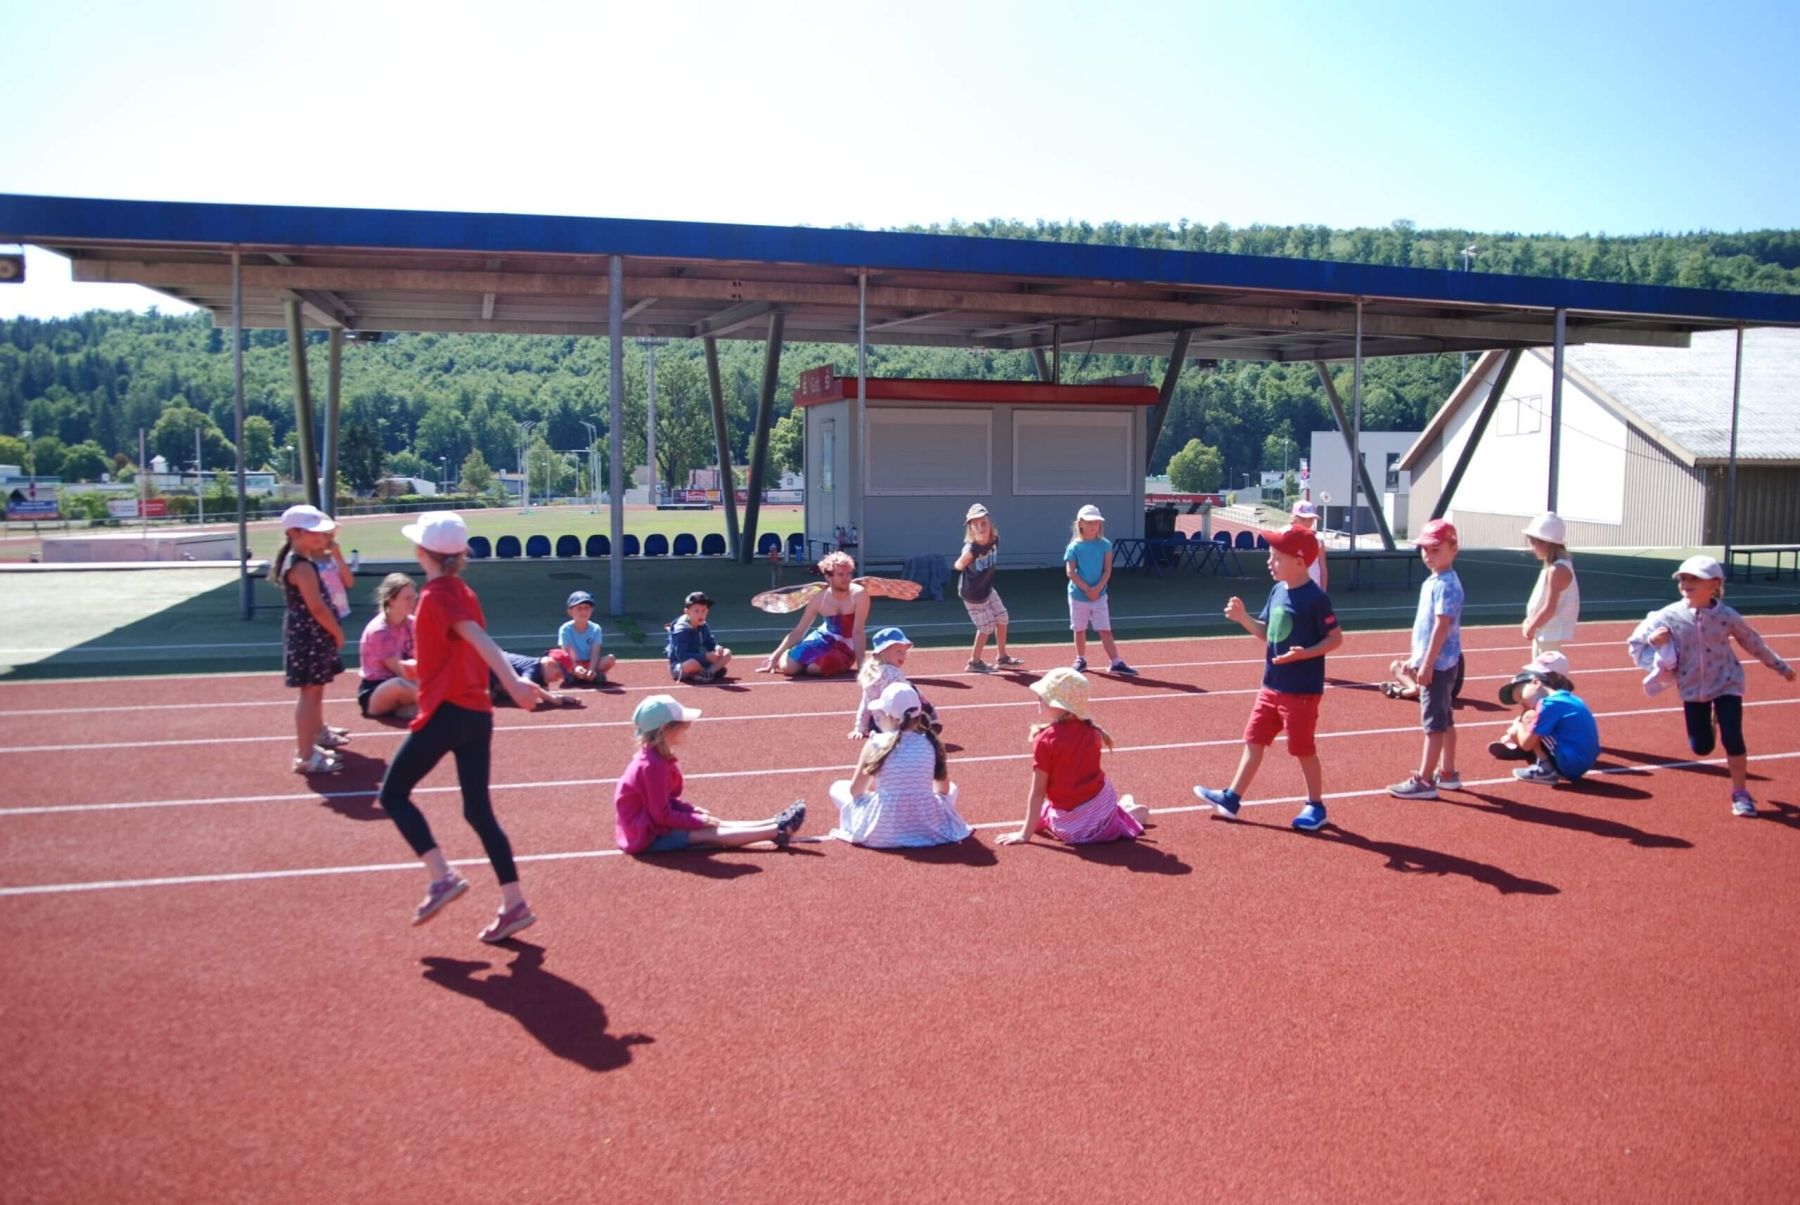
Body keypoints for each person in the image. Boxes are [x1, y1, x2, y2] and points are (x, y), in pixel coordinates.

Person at [377, 511, 539, 943]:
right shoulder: (463, 591)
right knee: (477, 811)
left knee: (392, 794)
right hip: (476, 714)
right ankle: (514, 903)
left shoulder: (436, 595)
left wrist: (514, 682)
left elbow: (474, 637)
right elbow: (461, 642)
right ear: (461, 554)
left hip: (446, 712)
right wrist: (420, 667)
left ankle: (441, 876)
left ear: (421, 552)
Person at [1193, 526, 1343, 831]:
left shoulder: (1316, 599)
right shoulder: (1277, 591)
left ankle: (1316, 806)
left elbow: (1335, 639)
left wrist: (1305, 654)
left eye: (1276, 557)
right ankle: (1232, 798)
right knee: (1254, 740)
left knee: (1303, 749)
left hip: (1300, 692)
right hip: (1271, 685)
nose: (1269, 562)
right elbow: (1267, 633)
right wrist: (1244, 619)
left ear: (1300, 562)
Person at [1627, 555, 1795, 817]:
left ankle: (1740, 793)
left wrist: (1780, 667)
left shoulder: (1726, 616)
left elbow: (1752, 642)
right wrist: (1653, 639)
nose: (1686, 583)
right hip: (1693, 688)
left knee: (1733, 737)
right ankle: (1711, 724)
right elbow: (1637, 640)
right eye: (1683, 578)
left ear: (1714, 583)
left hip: (1728, 683)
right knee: (1701, 746)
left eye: (1694, 578)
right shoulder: (1669, 615)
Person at [614, 695, 808, 852]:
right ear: (665, 729)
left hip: (647, 824)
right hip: (646, 835)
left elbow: (663, 802)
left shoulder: (655, 758)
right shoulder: (652, 765)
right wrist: (696, 820)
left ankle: (772, 823)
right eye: (683, 724)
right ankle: (778, 830)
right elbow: (661, 815)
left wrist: (690, 811)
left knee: (713, 822)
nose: (687, 728)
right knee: (709, 833)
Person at [998, 667, 1148, 846]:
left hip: (1072, 831)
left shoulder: (1045, 739)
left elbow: (1038, 792)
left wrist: (1024, 835)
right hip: (1100, 819)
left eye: (1045, 695)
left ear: (1060, 705)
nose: (1039, 698)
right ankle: (1121, 813)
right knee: (1098, 802)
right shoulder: (1092, 732)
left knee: (1043, 812)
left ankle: (1126, 811)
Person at [829, 682, 972, 848]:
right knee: (952, 788)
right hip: (926, 825)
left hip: (883, 830)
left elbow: (855, 791)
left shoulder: (876, 742)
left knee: (837, 787)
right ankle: (916, 821)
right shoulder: (931, 741)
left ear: (889, 716)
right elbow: (944, 790)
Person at [1388, 519, 1466, 801]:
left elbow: (1441, 626)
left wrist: (1427, 664)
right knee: (1445, 719)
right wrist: (1418, 658)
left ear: (1453, 548)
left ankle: (1425, 780)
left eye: (1435, 549)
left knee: (1433, 724)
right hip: (1439, 661)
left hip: (1440, 665)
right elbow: (1429, 628)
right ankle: (1447, 773)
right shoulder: (1436, 580)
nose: (1428, 555)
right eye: (1424, 549)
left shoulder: (1446, 584)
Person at [271, 504, 352, 774]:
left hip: (310, 634)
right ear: (294, 533)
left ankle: (314, 738)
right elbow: (317, 607)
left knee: (315, 689)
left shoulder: (301, 561)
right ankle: (305, 756)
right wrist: (337, 632)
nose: (322, 538)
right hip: (310, 635)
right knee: (310, 692)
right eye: (314, 533)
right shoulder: (302, 567)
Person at [760, 551, 869, 677]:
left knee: (815, 668)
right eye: (841, 575)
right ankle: (789, 655)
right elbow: (799, 631)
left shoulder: (859, 595)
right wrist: (775, 656)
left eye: (849, 574)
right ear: (829, 577)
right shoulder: (819, 598)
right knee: (789, 668)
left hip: (846, 646)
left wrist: (861, 666)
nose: (847, 579)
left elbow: (858, 632)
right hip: (823, 638)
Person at [1492, 661, 1600, 785]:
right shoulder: (1568, 698)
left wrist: (1518, 725)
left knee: (1529, 718)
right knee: (1535, 723)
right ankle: (1530, 752)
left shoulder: (1548, 705)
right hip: (1582, 760)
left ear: (1536, 683)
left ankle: (1545, 769)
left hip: (1569, 765)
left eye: (1520, 695)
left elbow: (1527, 743)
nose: (1521, 703)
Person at [1064, 504, 1136, 675]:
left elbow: (1107, 570)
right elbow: (1070, 571)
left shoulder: (1105, 545)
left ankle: (1115, 662)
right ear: (1080, 523)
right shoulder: (1074, 547)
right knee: (1079, 629)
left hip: (1100, 596)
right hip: (1078, 596)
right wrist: (1087, 589)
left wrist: (1097, 589)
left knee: (1105, 629)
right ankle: (1080, 659)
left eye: (1095, 523)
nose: (1092, 526)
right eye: (1089, 522)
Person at [954, 503, 1021, 672]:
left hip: (987, 589)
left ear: (989, 523)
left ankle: (1002, 657)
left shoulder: (994, 541)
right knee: (986, 628)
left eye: (983, 523)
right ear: (971, 529)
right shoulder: (972, 548)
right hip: (973, 594)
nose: (980, 527)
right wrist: (964, 560)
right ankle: (974, 662)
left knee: (1003, 617)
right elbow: (958, 565)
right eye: (975, 525)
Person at [850, 626, 939, 740]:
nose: (903, 655)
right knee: (913, 691)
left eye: (904, 652)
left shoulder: (872, 674)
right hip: (897, 722)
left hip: (878, 725)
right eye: (898, 651)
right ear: (883, 652)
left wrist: (860, 728)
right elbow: (907, 698)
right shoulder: (894, 674)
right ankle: (929, 718)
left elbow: (866, 703)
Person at [1487, 651, 1572, 761]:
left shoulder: (1551, 703)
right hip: (1554, 741)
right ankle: (1522, 747)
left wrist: (1516, 730)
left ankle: (1536, 755)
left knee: (1527, 721)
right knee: (1526, 721)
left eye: (1540, 674)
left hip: (1560, 750)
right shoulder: (1554, 698)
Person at [358, 572, 419, 721]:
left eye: (414, 597)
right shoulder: (379, 630)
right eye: (407, 598)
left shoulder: (414, 624)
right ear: (391, 600)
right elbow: (400, 671)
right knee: (398, 684)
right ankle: (436, 705)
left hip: (410, 682)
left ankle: (410, 709)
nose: (412, 602)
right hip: (377, 689)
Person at [1521, 512, 1580, 661]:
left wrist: (1531, 627)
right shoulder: (1551, 567)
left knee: (1546, 676)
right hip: (1545, 631)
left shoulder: (1557, 570)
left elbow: (1549, 607)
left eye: (1534, 543)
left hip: (1550, 633)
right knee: (1540, 674)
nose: (1532, 548)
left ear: (1546, 543)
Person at [667, 591, 733, 682]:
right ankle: (706, 673)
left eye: (704, 610)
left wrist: (717, 647)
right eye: (696, 611)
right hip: (681, 666)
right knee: (692, 663)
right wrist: (705, 657)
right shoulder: (680, 630)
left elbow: (710, 642)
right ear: (687, 612)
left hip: (700, 661)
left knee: (727, 652)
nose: (701, 614)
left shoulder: (703, 625)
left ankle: (708, 672)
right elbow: (681, 656)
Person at [489, 648, 581, 710]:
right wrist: (552, 698)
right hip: (484, 668)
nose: (559, 679)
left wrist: (562, 698)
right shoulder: (534, 667)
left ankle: (497, 690)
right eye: (558, 674)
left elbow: (544, 693)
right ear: (550, 663)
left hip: (493, 672)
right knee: (490, 696)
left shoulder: (542, 674)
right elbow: (525, 683)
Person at [558, 589, 617, 685]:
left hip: (589, 662)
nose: (584, 611)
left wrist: (592, 669)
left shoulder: (596, 628)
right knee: (555, 662)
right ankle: (574, 674)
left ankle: (591, 675)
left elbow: (595, 652)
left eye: (587, 608)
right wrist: (575, 667)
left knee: (610, 659)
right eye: (579, 608)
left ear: (591, 610)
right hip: (572, 663)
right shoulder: (565, 629)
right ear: (570, 612)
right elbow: (566, 653)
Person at [1288, 499, 1328, 591]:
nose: (1307, 523)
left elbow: (1323, 568)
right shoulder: (1287, 539)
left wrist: (1323, 591)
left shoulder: (1319, 540)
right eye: (1303, 519)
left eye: (1310, 519)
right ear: (1294, 518)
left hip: (1314, 588)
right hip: (1294, 589)